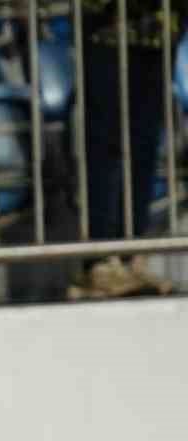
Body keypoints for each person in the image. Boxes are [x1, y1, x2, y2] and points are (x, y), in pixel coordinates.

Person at [68, 0, 185, 298]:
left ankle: (130, 254)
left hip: (160, 29)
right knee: (106, 144)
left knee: (144, 146)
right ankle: (99, 260)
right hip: (106, 29)